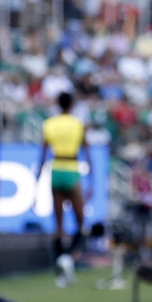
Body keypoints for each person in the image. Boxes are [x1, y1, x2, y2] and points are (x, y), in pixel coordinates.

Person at [35, 91, 91, 287]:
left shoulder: (49, 124)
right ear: (72, 104)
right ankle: (70, 258)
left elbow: (43, 154)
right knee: (81, 220)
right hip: (72, 169)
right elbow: (87, 150)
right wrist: (91, 179)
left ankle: (59, 268)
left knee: (58, 224)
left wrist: (37, 178)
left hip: (56, 169)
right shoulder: (78, 124)